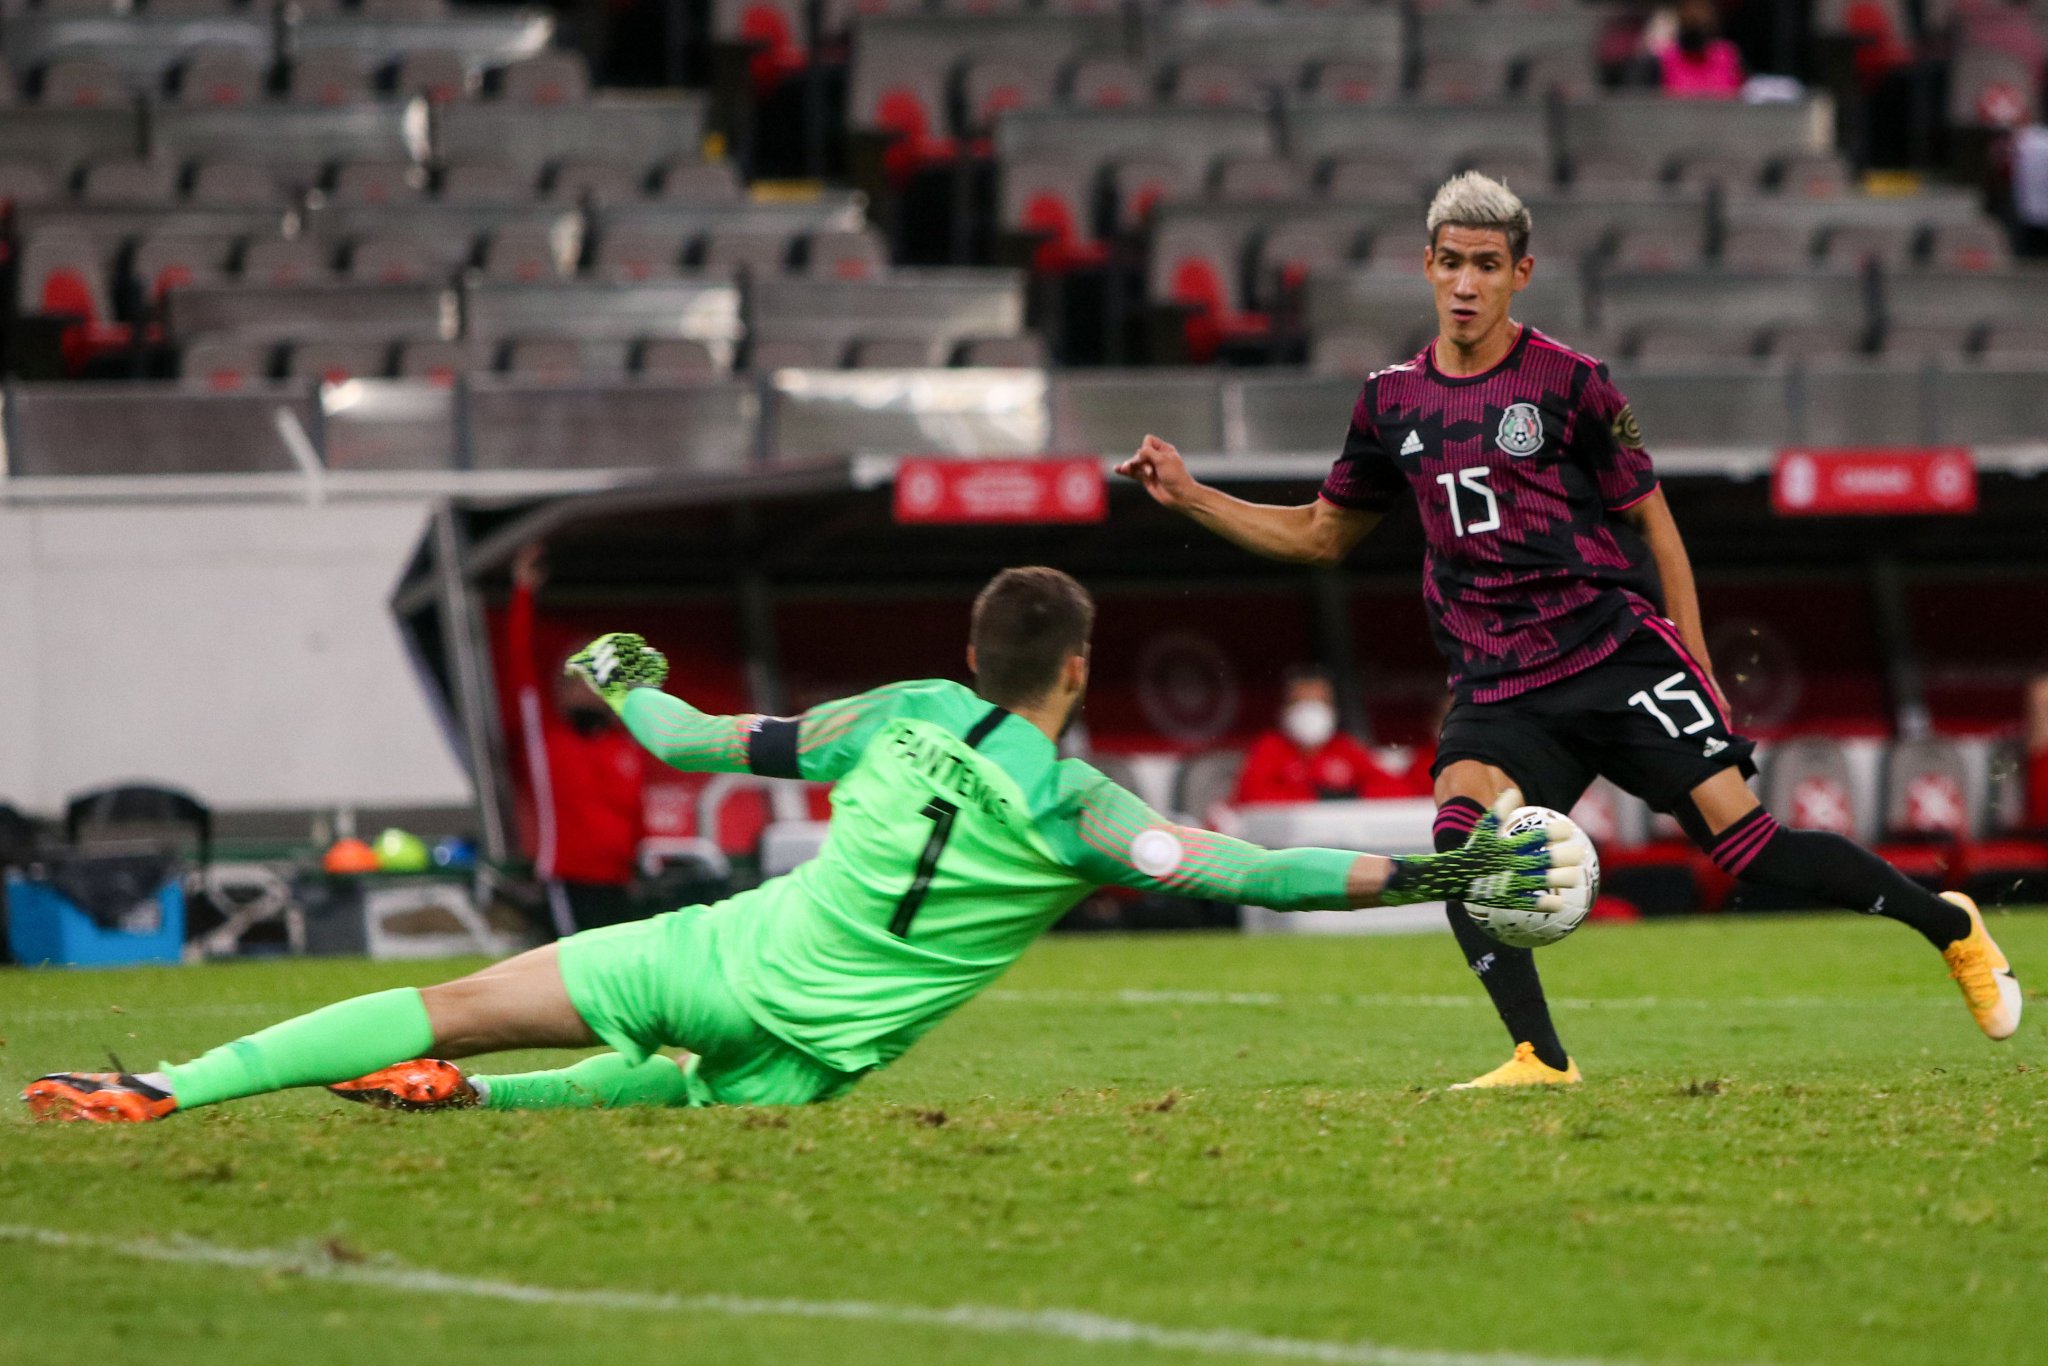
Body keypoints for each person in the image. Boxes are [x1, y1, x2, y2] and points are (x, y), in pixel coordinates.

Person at [22, 567, 1580, 1124]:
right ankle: (477, 1102)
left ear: (977, 652)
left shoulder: (889, 710)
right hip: (823, 1046)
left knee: (463, 1001)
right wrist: (1438, 871)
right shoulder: (1083, 807)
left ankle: (167, 1084)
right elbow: (1246, 871)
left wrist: (627, 683)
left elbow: (700, 740)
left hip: (723, 950)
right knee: (703, 1089)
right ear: (1078, 672)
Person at [1115, 173, 2020, 1090]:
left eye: (1488, 266)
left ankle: (1950, 926)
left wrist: (1696, 657)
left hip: (1611, 651)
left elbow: (1654, 524)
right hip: (1499, 682)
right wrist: (1192, 495)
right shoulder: (1389, 402)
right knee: (1461, 848)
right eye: (1452, 264)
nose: (1467, 284)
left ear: (1520, 274)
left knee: (1750, 850)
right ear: (1426, 267)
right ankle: (1539, 1057)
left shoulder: (1572, 382)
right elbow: (1319, 535)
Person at [505, 543, 649, 935]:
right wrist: (523, 592)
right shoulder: (546, 738)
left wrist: (638, 863)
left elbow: (635, 816)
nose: (586, 691)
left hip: (619, 883)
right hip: (568, 883)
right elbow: (519, 665)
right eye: (576, 681)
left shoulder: (625, 747)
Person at [1234, 667, 1385, 803]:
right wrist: (1317, 797)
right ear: (1285, 708)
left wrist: (1350, 797)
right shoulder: (1270, 747)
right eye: (1301, 702)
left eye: (1318, 702)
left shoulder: (1344, 747)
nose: (1310, 711)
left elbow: (1393, 790)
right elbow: (1252, 795)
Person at [1649, 0, 1744, 100]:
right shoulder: (1663, 59)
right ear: (1680, 15)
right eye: (1690, 10)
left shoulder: (1730, 55)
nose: (1696, 17)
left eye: (1701, 9)